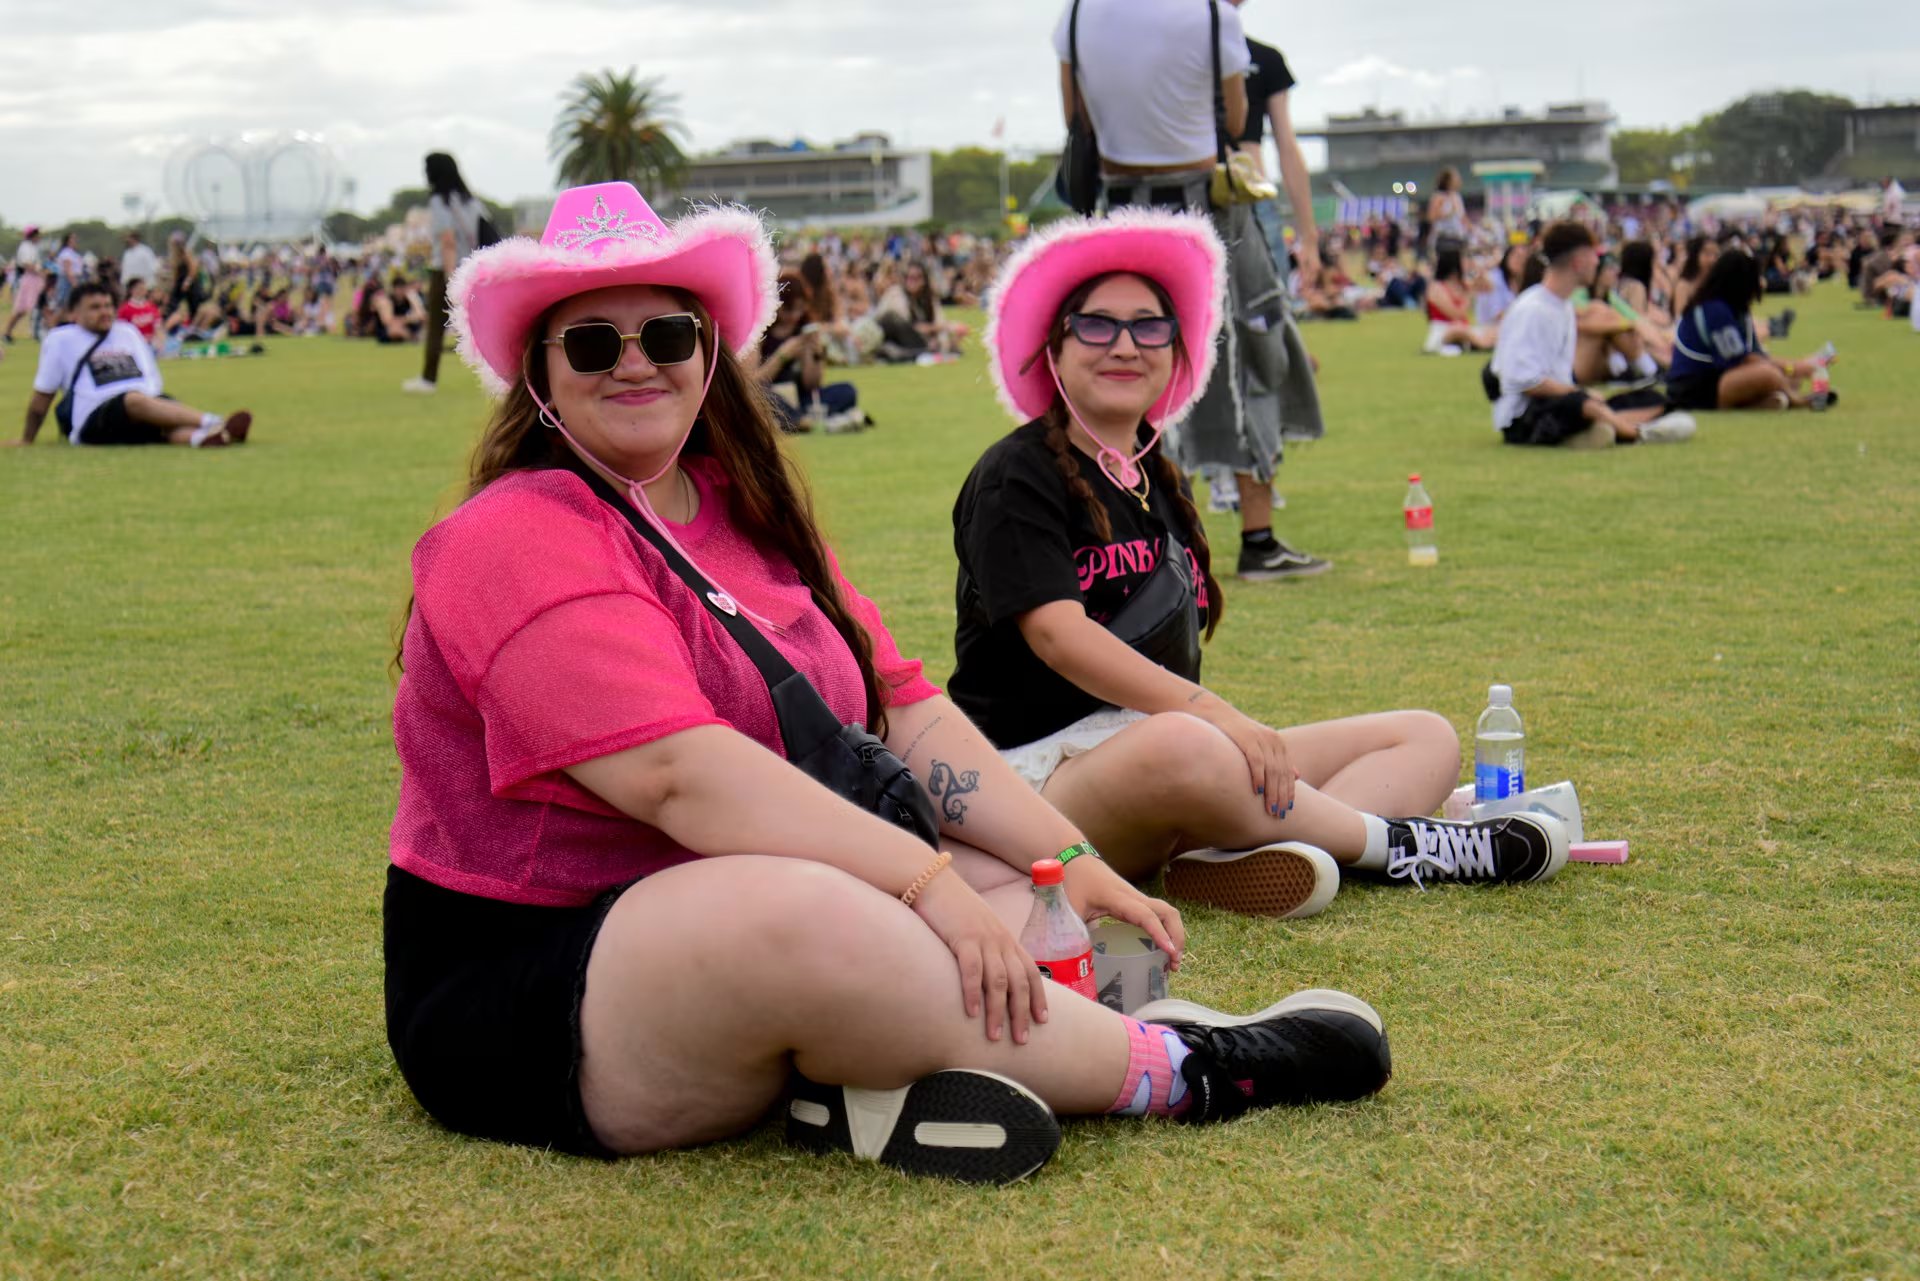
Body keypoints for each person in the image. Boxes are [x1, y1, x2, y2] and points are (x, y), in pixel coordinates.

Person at [387, 179, 1391, 1186]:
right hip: (540, 977)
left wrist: (1067, 854)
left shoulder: (745, 510)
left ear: (708, 353)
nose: (637, 361)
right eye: (594, 344)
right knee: (830, 916)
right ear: (540, 377)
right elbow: (676, 777)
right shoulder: (512, 535)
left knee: (1022, 893)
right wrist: (924, 883)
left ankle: (858, 1085)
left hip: (740, 909)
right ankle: (1183, 1068)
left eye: (668, 334)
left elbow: (902, 705)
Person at [949, 212, 1574, 926]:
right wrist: (1219, 719)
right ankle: (1408, 847)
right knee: (1183, 740)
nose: (1124, 345)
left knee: (1425, 736)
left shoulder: (1151, 475)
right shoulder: (1016, 474)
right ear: (1053, 348)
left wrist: (1216, 730)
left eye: (1149, 327)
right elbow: (1060, 636)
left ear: (1176, 351)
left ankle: (1227, 860)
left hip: (1167, 758)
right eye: (1096, 325)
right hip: (1040, 785)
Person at [1055, 0, 1328, 581]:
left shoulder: (1078, 15)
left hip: (1123, 217)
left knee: (1130, 372)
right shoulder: (1212, 18)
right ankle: (1258, 538)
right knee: (1246, 363)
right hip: (1209, 217)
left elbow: (1075, 117)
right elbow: (1231, 123)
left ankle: (1157, 547)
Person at [1487, 222, 1696, 448]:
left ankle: (1600, 428)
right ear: (1578, 262)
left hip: (1563, 401)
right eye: (1594, 256)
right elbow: (1525, 381)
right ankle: (1634, 434)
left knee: (1654, 400)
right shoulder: (1533, 308)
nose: (1598, 262)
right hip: (1525, 416)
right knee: (1581, 404)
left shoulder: (1563, 306)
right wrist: (1579, 394)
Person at [10, 283, 251, 448]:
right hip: (95, 418)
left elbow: (151, 377)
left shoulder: (127, 331)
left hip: (142, 403)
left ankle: (209, 438)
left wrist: (155, 404)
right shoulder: (61, 339)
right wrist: (27, 439)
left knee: (163, 422)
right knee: (134, 400)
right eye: (95, 308)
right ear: (74, 313)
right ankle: (215, 421)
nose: (104, 313)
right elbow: (42, 398)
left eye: (107, 306)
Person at [1667, 248, 1835, 412]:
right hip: (1694, 389)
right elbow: (1741, 361)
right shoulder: (1714, 310)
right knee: (1769, 375)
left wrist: (1793, 369)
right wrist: (1794, 367)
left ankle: (1767, 401)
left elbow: (1755, 354)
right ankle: (1798, 401)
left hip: (1717, 379)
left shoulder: (1735, 310)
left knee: (1788, 377)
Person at [404, 152, 485, 394]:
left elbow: (447, 240)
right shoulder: (471, 201)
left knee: (436, 327)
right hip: (476, 268)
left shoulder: (440, 201)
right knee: (483, 324)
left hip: (448, 270)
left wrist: (451, 277)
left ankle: (428, 379)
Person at [1422, 248, 1495, 354]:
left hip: (1464, 329)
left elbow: (1489, 288)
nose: (1467, 263)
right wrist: (1469, 294)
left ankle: (1478, 344)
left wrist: (1480, 271)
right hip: (1444, 330)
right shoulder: (1437, 288)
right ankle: (1484, 345)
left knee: (1493, 329)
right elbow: (1456, 314)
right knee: (1459, 329)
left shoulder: (1463, 284)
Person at [4, 226, 46, 344]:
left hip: (34, 278)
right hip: (29, 279)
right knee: (23, 308)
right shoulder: (26, 247)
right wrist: (39, 272)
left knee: (37, 307)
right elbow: (27, 263)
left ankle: (38, 331)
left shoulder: (33, 247)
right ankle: (8, 332)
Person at [1426, 167, 1468, 256]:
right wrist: (1447, 214)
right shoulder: (1438, 197)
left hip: (1457, 236)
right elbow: (1431, 217)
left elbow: (1463, 218)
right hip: (1443, 237)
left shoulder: (1457, 197)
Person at [117, 278, 162, 343]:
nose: (143, 290)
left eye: (144, 288)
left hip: (149, 344)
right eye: (140, 288)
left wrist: (159, 341)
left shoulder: (152, 307)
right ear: (132, 290)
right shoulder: (124, 309)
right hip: (132, 344)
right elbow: (121, 330)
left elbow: (158, 327)